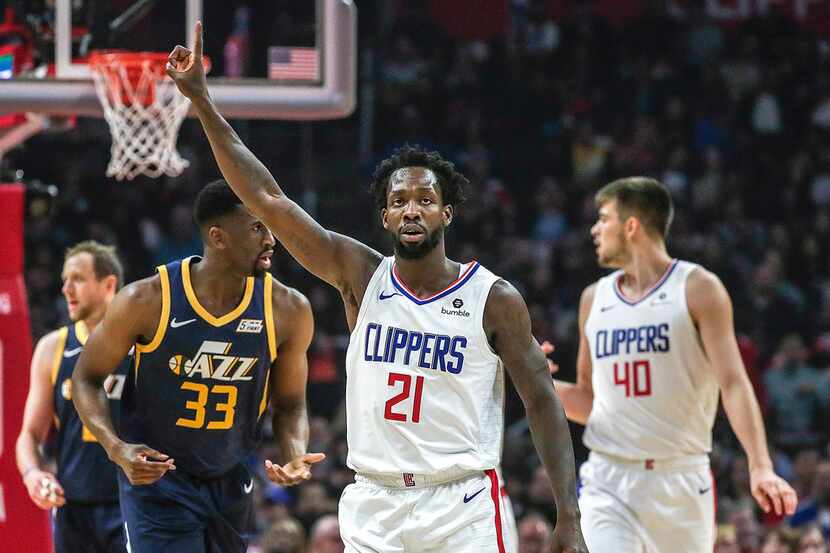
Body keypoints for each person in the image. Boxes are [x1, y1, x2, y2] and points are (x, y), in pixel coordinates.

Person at [165, 22, 587, 553]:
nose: (412, 207)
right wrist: (203, 102)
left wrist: (567, 516)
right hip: (374, 503)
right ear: (386, 216)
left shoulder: (493, 298)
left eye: (425, 199)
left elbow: (542, 401)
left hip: (461, 506)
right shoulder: (360, 275)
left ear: (446, 213)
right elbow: (268, 200)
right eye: (400, 199)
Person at [545, 177, 797, 552]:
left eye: (604, 218)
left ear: (631, 225)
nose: (595, 229)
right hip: (608, 479)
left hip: (682, 480)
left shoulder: (698, 288)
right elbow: (588, 399)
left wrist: (760, 464)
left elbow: (733, 383)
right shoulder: (592, 299)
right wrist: (534, 380)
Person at [72, 180, 322, 553]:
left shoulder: (288, 309)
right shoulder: (147, 299)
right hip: (159, 479)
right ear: (218, 237)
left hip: (230, 479)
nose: (271, 239)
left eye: (271, 225)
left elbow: (289, 404)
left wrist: (295, 450)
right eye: (257, 227)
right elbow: (86, 378)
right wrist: (115, 447)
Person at [15, 240, 128, 553]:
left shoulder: (142, 345)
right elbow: (29, 435)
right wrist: (33, 473)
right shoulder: (53, 347)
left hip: (132, 503)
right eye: (65, 280)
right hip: (72, 504)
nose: (66, 288)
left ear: (108, 284)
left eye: (77, 278)